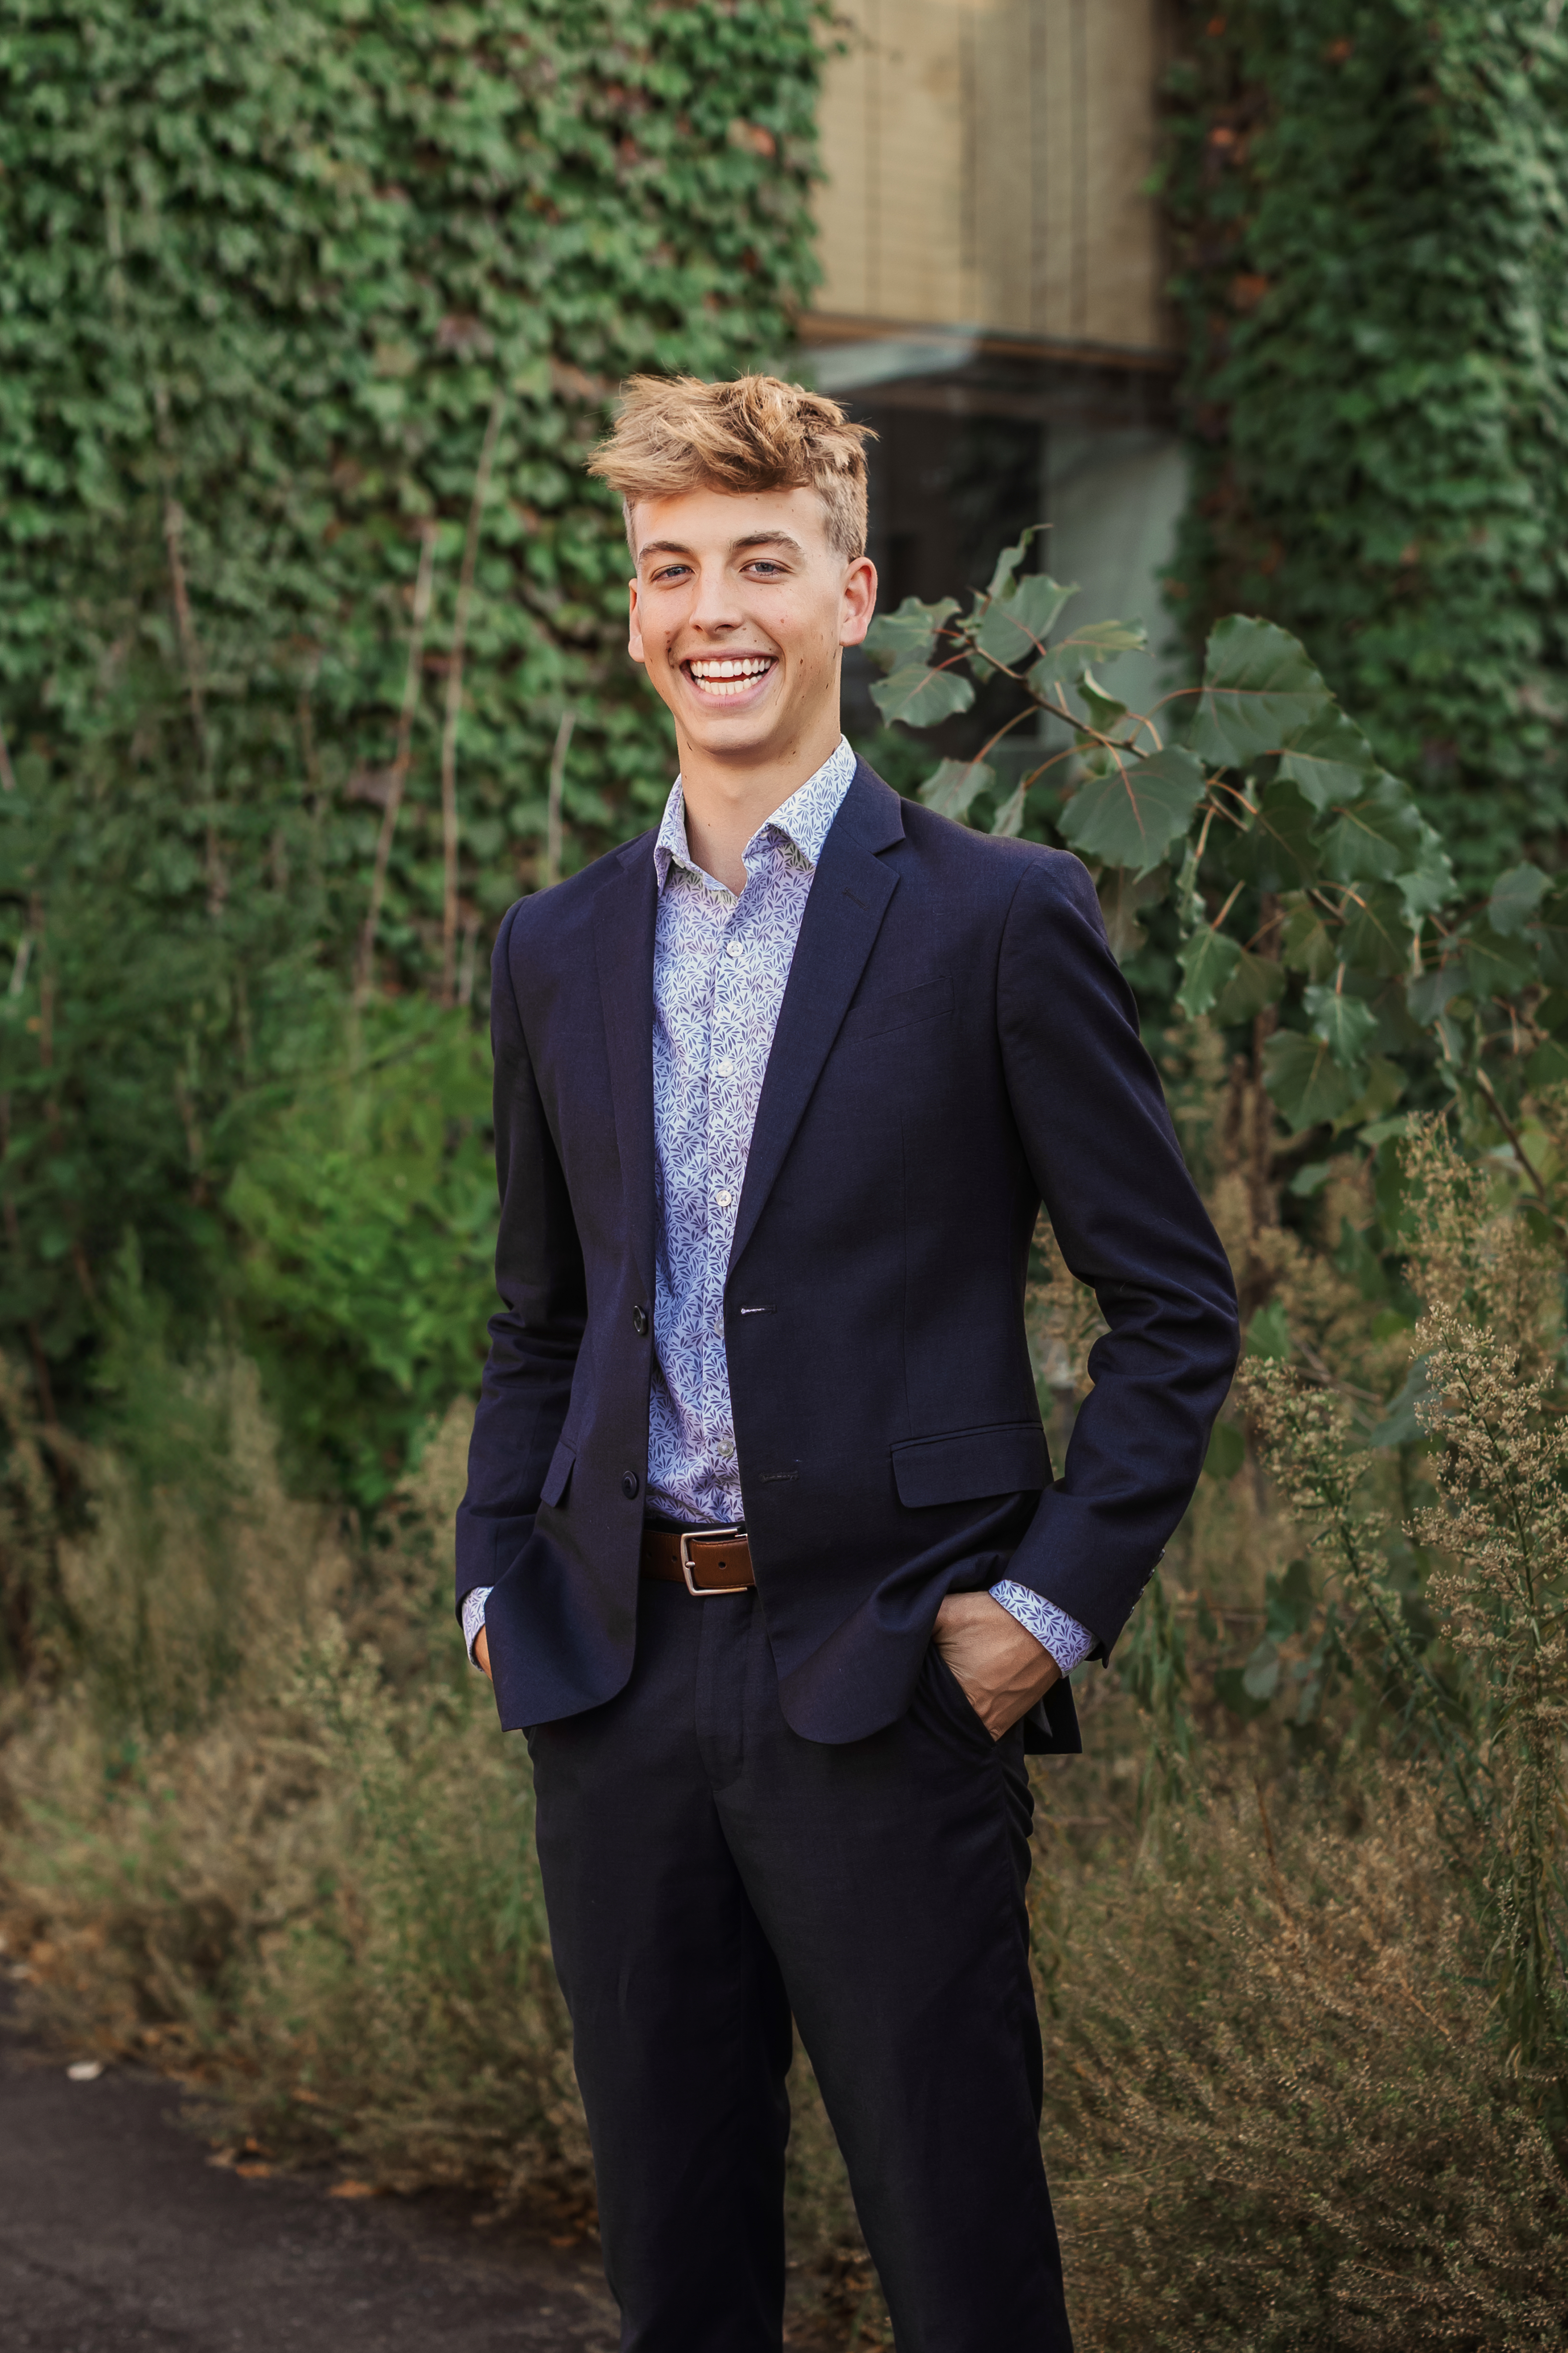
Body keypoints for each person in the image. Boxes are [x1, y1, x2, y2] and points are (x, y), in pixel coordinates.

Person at [455, 373, 1239, 2353]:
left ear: (852, 594)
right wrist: (490, 1580)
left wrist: (1037, 1620)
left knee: (962, 2269)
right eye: (670, 570)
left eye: (760, 563)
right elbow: (540, 1310)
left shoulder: (998, 919)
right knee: (678, 2272)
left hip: (891, 1678)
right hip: (616, 1682)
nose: (713, 610)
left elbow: (1172, 1307)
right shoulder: (554, 946)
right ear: (635, 611)